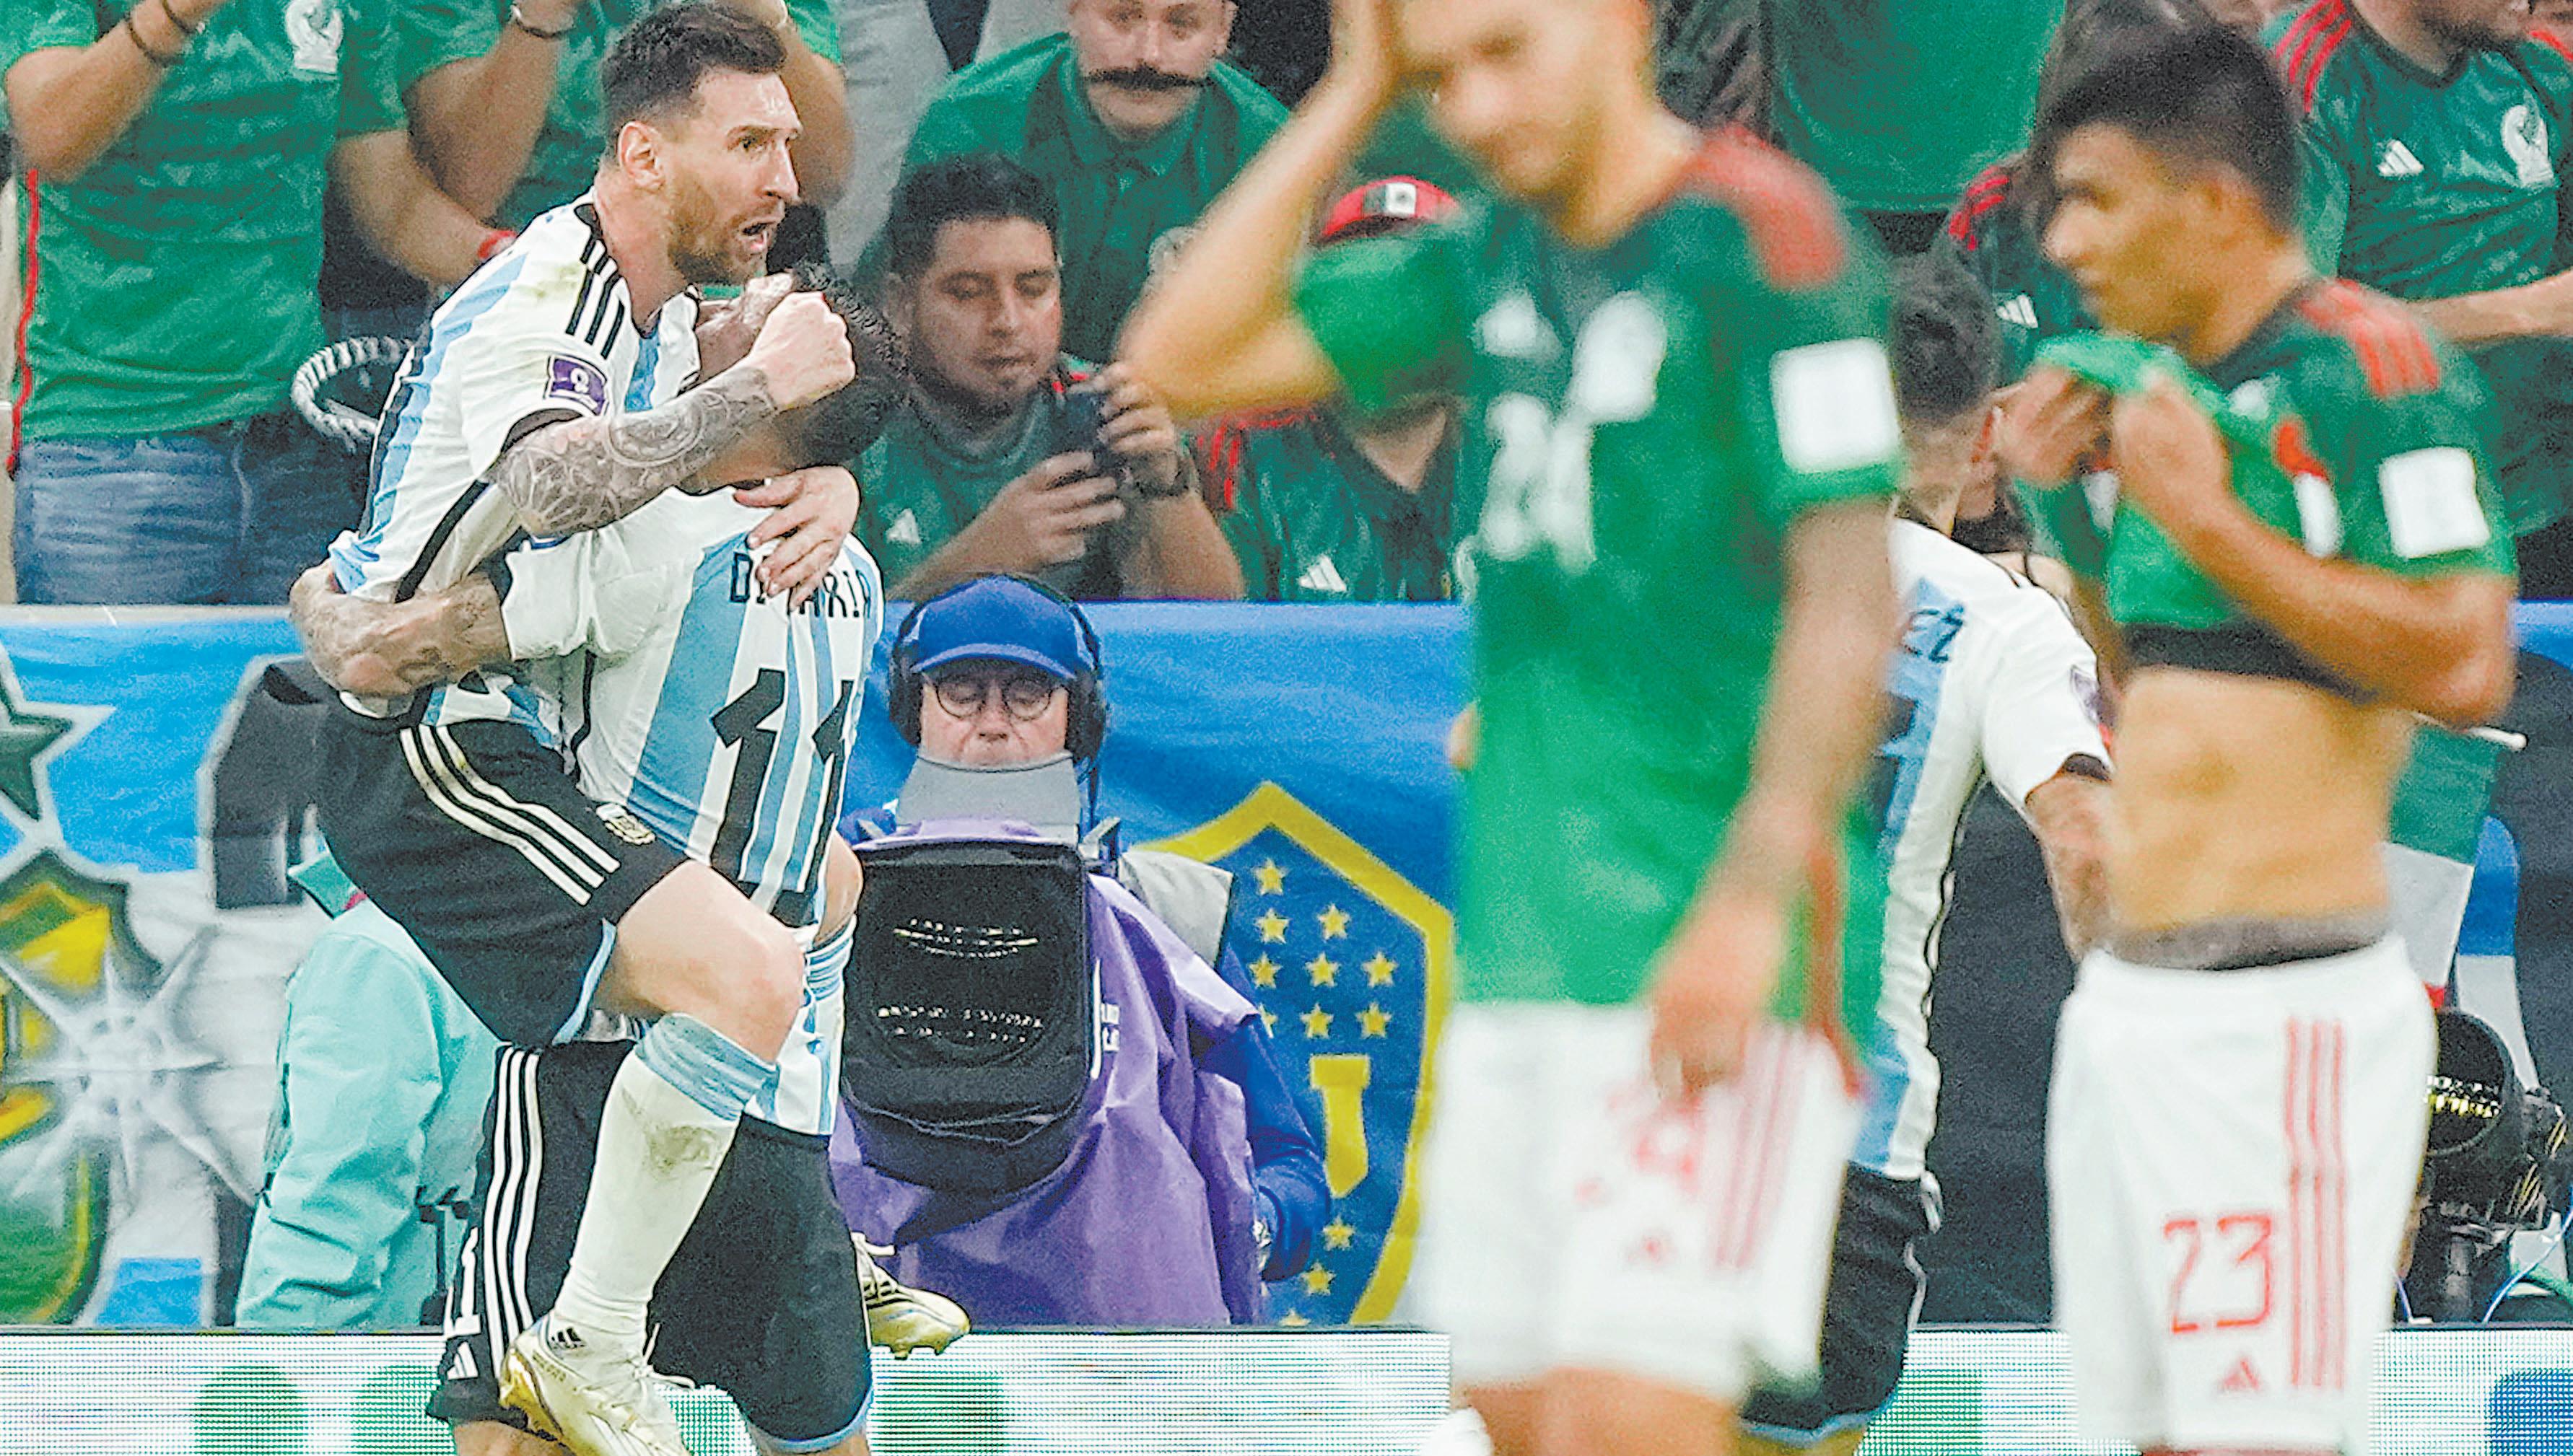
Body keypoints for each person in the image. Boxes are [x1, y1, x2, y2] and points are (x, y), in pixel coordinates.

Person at [1125, 0, 1905, 1452]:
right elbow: (1177, 355)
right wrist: (1355, 89)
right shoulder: (1493, 256)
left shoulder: (1763, 238)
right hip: (1527, 960)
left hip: (1708, 941)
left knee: (1631, 1426)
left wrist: (1748, 903)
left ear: (1619, 22)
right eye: (1444, 76)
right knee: (1516, 1425)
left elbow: (1853, 596)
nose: (1473, 110)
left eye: (1505, 53)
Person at [297, 9, 864, 1454]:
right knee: (746, 967)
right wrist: (761, 395)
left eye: (789, 145)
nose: (782, 177)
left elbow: (651, 510)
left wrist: (821, 472)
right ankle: (592, 1337)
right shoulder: (555, 286)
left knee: (816, 887)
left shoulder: (666, 311)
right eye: (749, 142)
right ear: (643, 151)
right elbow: (553, 485)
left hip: (523, 727)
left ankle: (784, 1204)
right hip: (438, 743)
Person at [2005, 25, 2514, 1453]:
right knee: (2146, 1433)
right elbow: (2153, 695)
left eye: (2096, 199)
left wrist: (2213, 522)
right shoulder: (2149, 389)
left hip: (2280, 1010)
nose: (2063, 241)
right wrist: (2069, 518)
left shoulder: (2373, 367)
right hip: (2131, 1005)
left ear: (2215, 202)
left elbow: (2467, 659)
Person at [1739, 256, 2114, 1455]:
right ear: (1989, 432)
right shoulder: (2006, 623)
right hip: (1838, 1148)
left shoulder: (1695, 555)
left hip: (1639, 1096)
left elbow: (1485, 744)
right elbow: (2086, 848)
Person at [830, 574, 1326, 1323]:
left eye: (1027, 693)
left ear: (1079, 716)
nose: (992, 725)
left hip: (1112, 1363)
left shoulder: (1169, 913)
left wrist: (1235, 1227)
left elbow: (1289, 1168)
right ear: (911, 708)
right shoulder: (822, 887)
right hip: (874, 1353)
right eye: (960, 691)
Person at [0, 0, 502, 605]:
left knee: (308, 669)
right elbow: (51, 135)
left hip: (297, 447)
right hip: (110, 440)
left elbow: (394, 205)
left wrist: (515, 260)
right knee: (112, 669)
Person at [2272, 0, 2573, 595]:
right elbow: (2284, 330)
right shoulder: (2301, 84)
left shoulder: (2533, 68)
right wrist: (2529, 311)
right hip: (2391, 530)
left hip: (2543, 496)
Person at [857, 153, 1241, 600]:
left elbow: (1214, 626)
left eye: (1033, 289)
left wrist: (1167, 487)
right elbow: (823, 637)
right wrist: (977, 564)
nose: (1007, 321)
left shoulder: (1103, 411)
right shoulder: (849, 427)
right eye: (968, 293)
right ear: (901, 304)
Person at [851, 0, 1288, 362]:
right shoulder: (968, 124)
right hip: (986, 408)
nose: (1149, 56)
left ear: (1223, 29)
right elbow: (894, 328)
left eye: (1182, 25)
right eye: (1123, 17)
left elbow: (1283, 356)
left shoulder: (1276, 154)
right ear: (1073, 10)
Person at [237, 848, 498, 1332]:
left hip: (392, 1360)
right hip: (506, 1348)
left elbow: (335, 1200)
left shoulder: (375, 949)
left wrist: (280, 1365)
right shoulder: (529, 930)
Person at [1199, 175, 1467, 602]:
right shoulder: (1248, 450)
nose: (1393, 316)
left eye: (1423, 287)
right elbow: (1215, 632)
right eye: (1364, 287)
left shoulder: (1519, 444)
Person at [402, 0, 851, 236]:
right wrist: (545, 12)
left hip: (712, 291)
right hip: (531, 292)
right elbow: (472, 187)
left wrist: (761, 13)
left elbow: (823, 177)